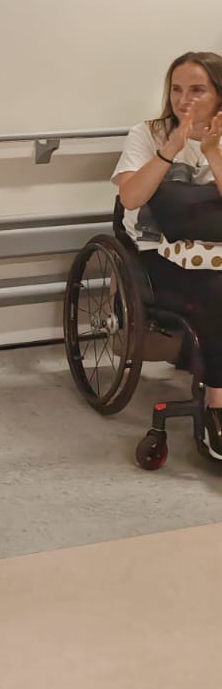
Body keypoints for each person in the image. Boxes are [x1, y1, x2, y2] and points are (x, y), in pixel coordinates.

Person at [113, 51, 222, 459]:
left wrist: (212, 151)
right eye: (177, 89)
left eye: (197, 90)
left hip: (216, 252)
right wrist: (172, 148)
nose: (184, 99)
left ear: (218, 95)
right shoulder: (149, 133)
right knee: (217, 291)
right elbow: (130, 197)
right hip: (158, 255)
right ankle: (217, 405)